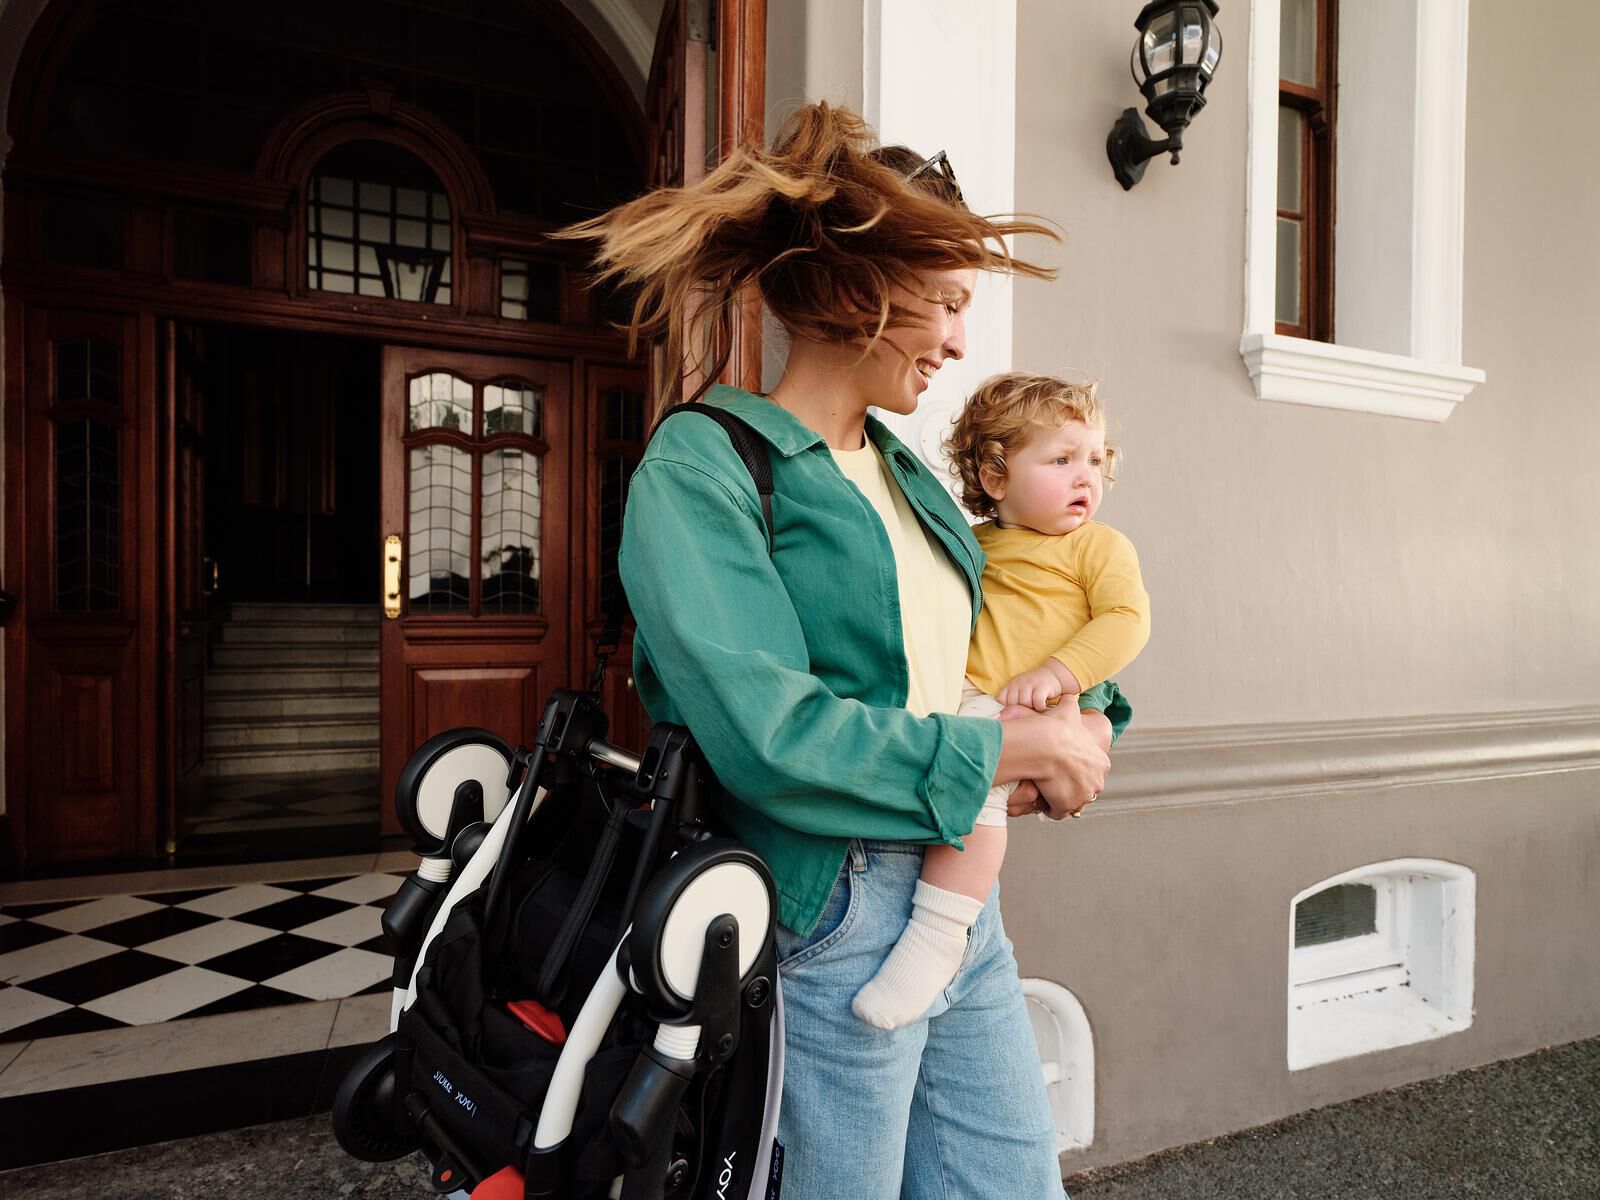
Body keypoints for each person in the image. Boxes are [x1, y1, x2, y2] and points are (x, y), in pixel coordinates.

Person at [564, 103, 1109, 1199]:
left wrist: (1081, 726)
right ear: (861, 289)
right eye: (947, 303)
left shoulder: (907, 477)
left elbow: (992, 649)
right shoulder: (703, 467)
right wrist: (1008, 753)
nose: (959, 343)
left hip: (961, 903)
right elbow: (770, 735)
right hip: (831, 908)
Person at [853, 372, 1149, 1030]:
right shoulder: (972, 544)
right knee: (956, 760)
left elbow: (1127, 620)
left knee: (980, 780)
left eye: (1094, 459)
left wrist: (1058, 674)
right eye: (1062, 459)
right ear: (995, 476)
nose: (1086, 476)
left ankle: (938, 934)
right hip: (963, 694)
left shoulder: (1095, 545)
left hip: (1033, 705)